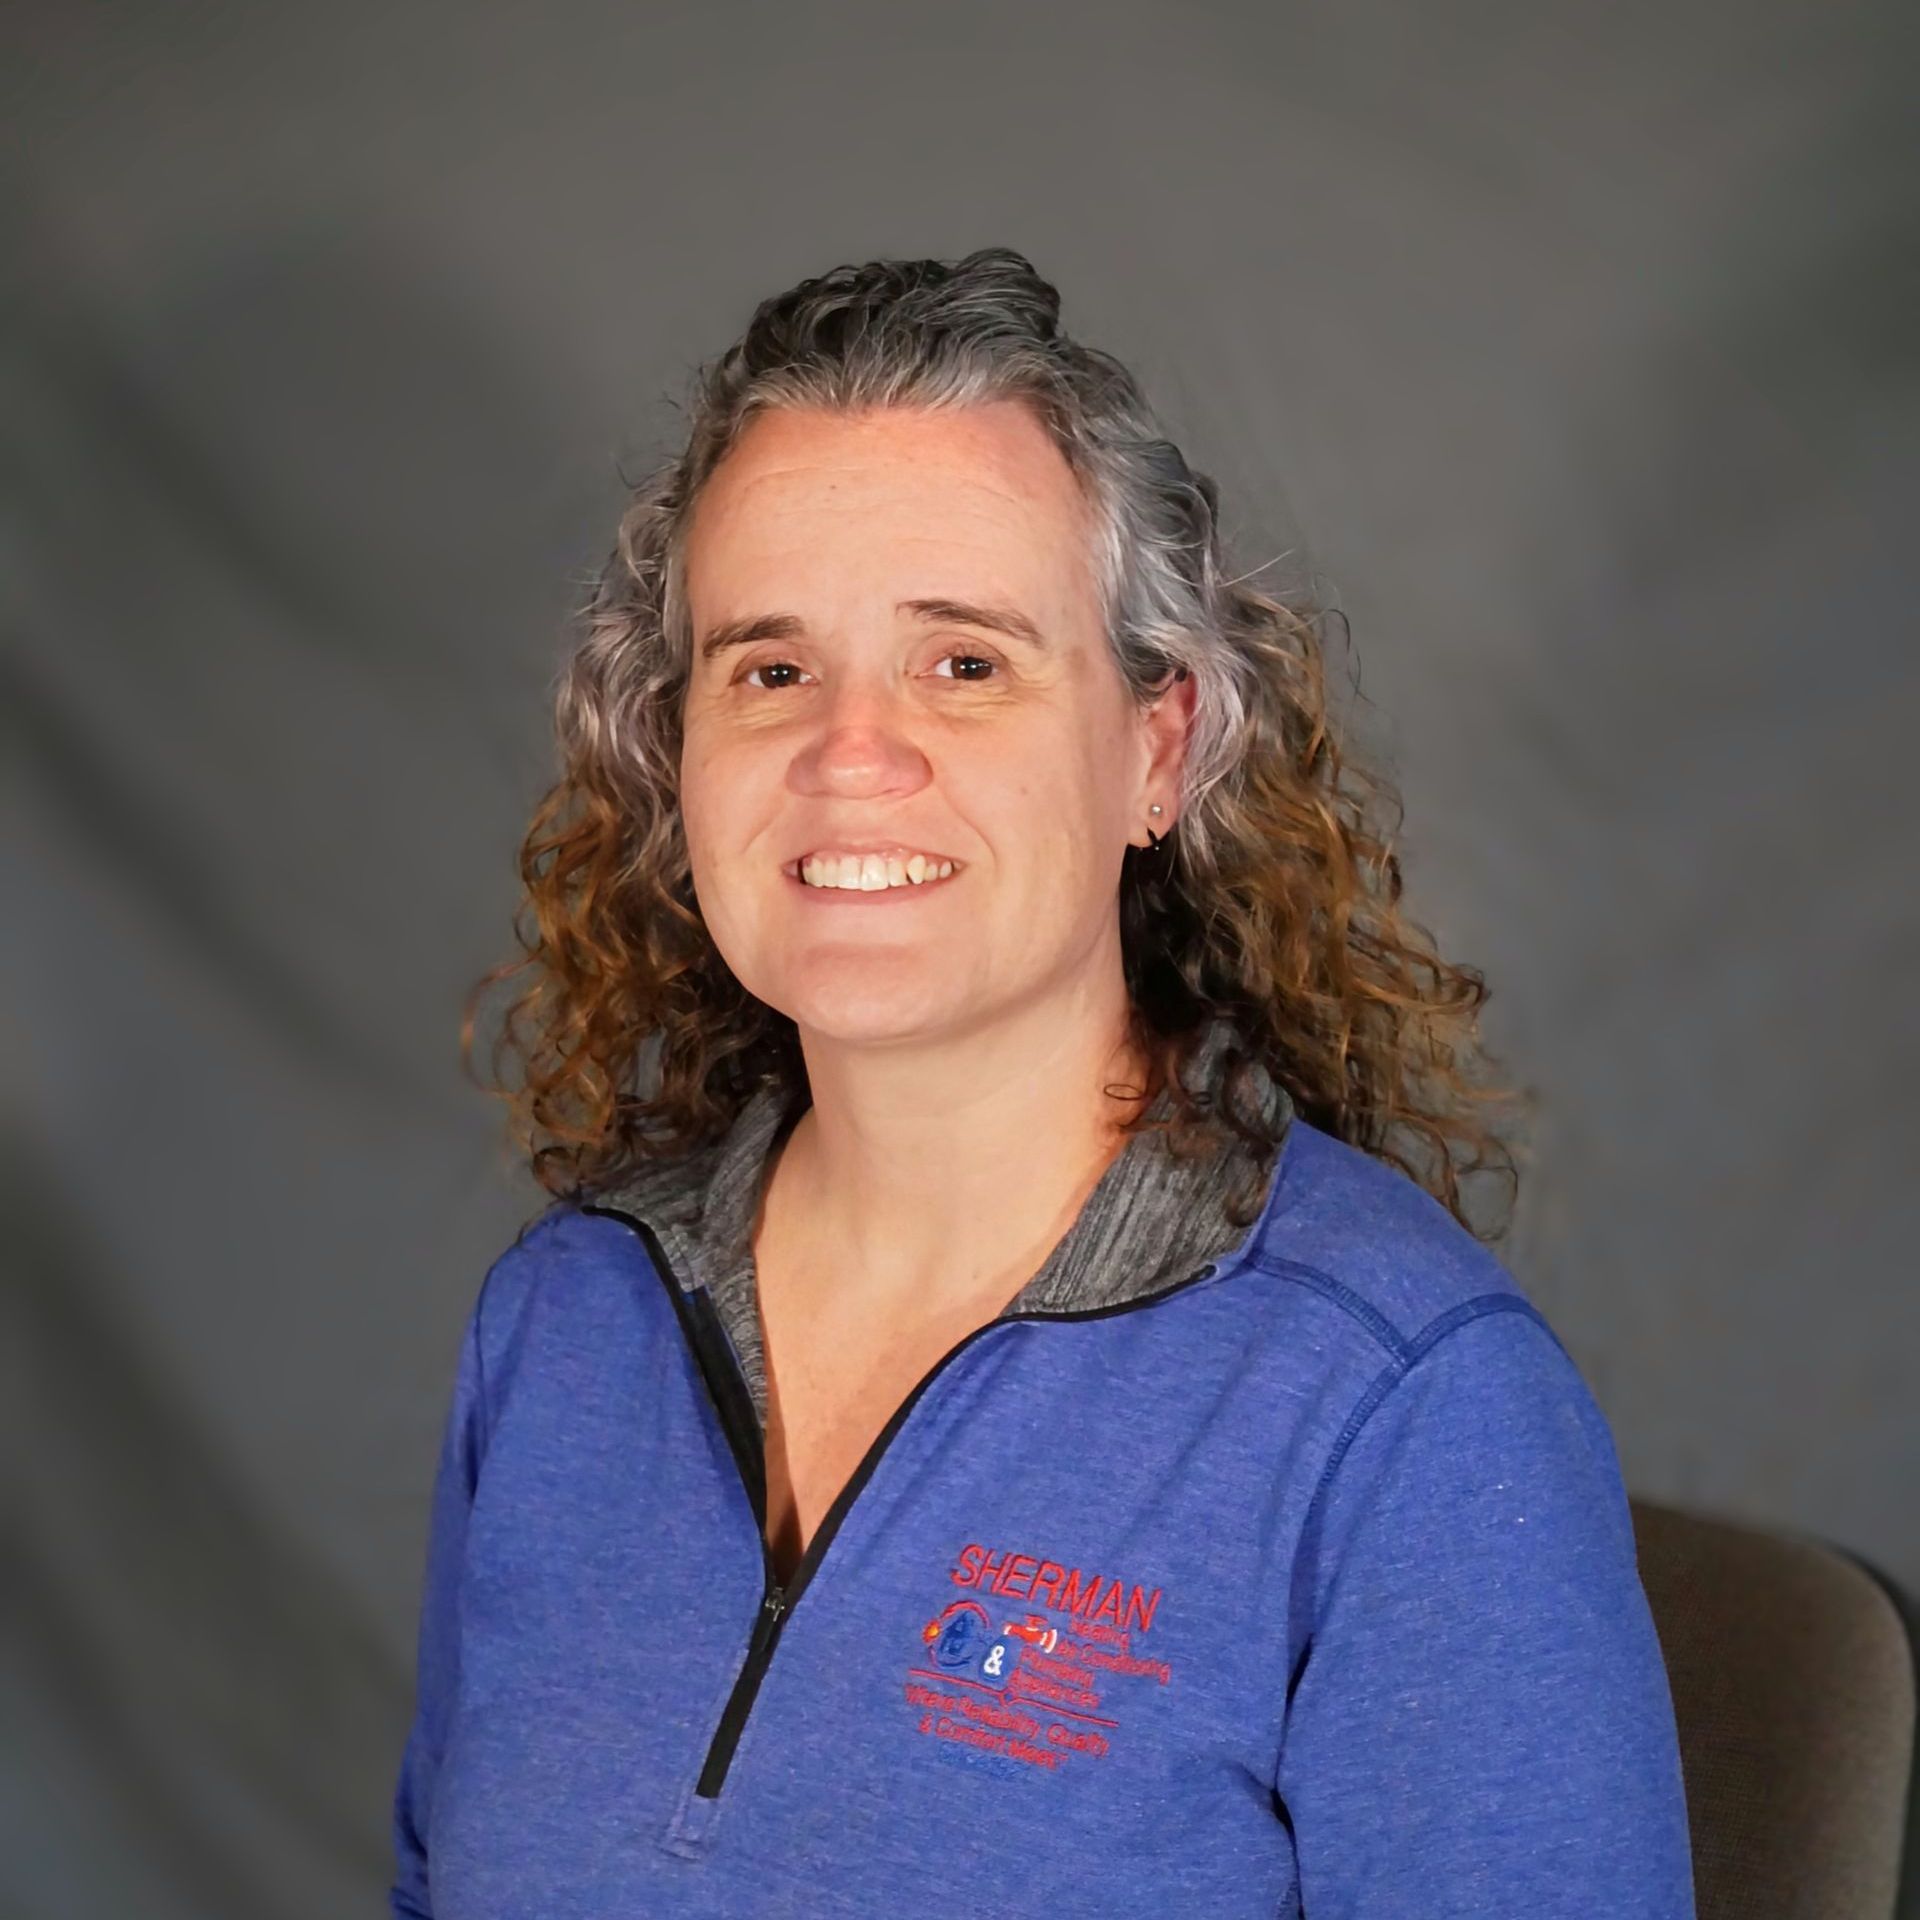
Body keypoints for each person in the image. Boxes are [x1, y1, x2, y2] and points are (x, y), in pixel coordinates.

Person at [388, 247, 1696, 1917]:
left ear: (1159, 746)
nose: (852, 754)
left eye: (966, 663)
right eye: (771, 669)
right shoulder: (564, 1327)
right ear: (676, 751)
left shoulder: (1406, 1410)